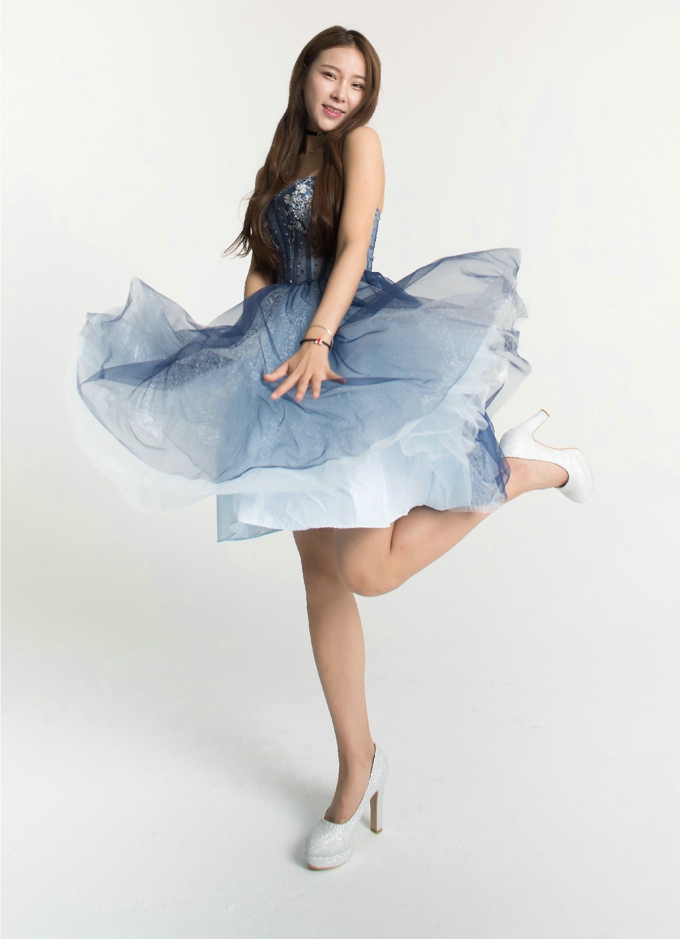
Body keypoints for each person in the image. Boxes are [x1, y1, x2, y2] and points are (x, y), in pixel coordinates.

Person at [68, 25, 592, 871]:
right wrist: (250, 344)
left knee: (367, 570)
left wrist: (315, 337)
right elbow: (265, 268)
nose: (341, 93)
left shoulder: (361, 145)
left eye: (356, 81)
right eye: (329, 74)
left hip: (343, 347)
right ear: (304, 75)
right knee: (322, 579)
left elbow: (351, 248)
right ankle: (358, 768)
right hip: (283, 360)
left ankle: (527, 467)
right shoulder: (285, 154)